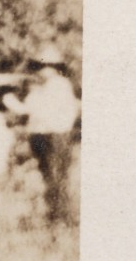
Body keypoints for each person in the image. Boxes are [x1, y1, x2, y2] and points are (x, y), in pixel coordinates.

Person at [5, 46, 81, 223]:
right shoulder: (40, 88)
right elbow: (31, 112)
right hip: (42, 135)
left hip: (56, 135)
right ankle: (55, 215)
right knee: (48, 176)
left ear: (56, 68)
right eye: (40, 66)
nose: (43, 70)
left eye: (47, 66)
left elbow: (35, 111)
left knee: (56, 177)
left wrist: (11, 102)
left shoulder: (59, 86)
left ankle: (61, 216)